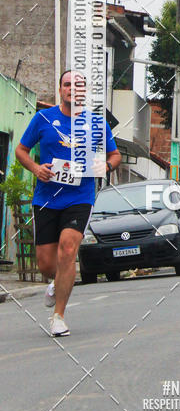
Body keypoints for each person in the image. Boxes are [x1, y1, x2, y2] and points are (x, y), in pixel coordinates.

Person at [15, 70, 120, 336]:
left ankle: (58, 316)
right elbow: (21, 150)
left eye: (79, 85)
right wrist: (36, 169)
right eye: (67, 84)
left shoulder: (97, 123)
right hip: (47, 198)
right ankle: (55, 283)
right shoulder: (43, 119)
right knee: (47, 264)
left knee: (68, 250)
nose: (73, 88)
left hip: (80, 197)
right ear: (60, 89)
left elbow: (115, 154)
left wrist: (106, 166)